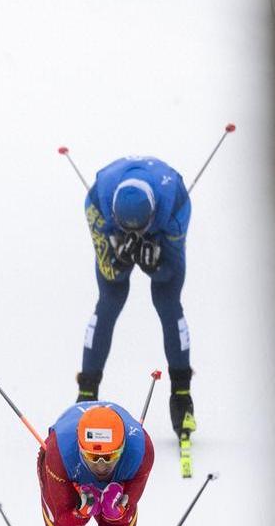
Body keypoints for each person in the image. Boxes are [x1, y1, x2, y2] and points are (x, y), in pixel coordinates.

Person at [76, 155, 196, 443]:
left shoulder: (176, 205)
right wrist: (119, 258)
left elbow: (170, 274)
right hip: (114, 224)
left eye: (138, 229)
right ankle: (86, 393)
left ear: (152, 215)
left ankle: (182, 394)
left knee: (168, 302)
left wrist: (156, 265)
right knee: (110, 299)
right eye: (126, 228)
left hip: (162, 228)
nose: (133, 235)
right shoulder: (96, 204)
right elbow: (111, 275)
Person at [38, 400, 154, 526]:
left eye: (109, 457)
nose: (100, 467)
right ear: (80, 449)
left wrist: (117, 514)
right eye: (92, 457)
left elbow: (127, 513)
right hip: (68, 468)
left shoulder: (141, 451)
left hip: (106, 473)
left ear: (123, 448)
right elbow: (63, 517)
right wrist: (81, 513)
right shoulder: (58, 453)